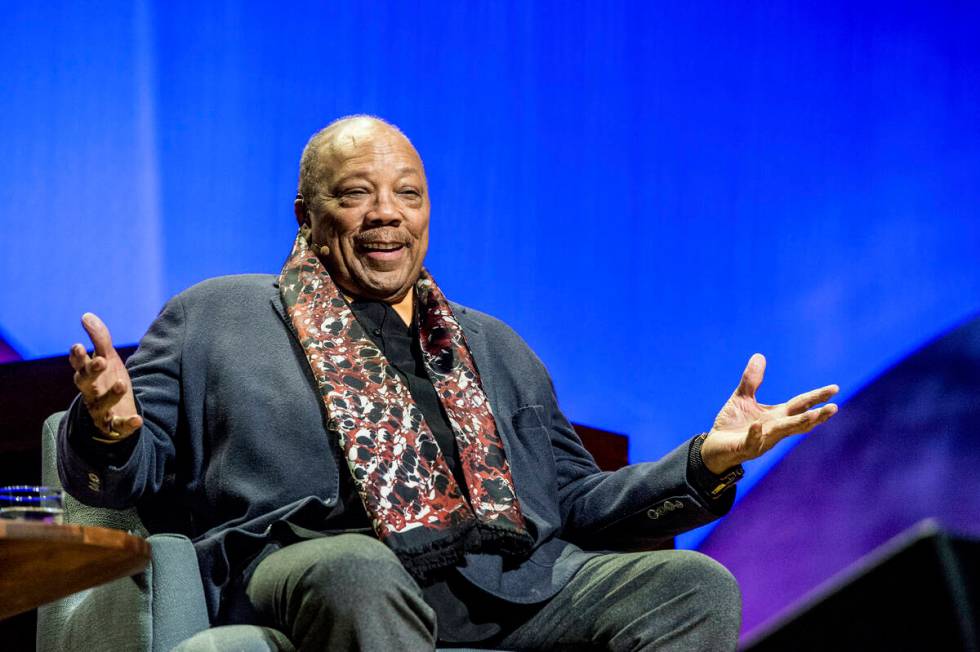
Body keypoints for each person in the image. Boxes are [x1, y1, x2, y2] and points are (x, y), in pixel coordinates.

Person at [60, 115, 839, 651]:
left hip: (506, 581)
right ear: (306, 214)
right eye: (356, 193)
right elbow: (127, 471)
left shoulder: (488, 344)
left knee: (690, 584)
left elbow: (574, 501)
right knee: (360, 568)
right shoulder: (217, 317)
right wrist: (110, 427)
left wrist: (707, 459)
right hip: (318, 565)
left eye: (407, 193)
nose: (385, 215)